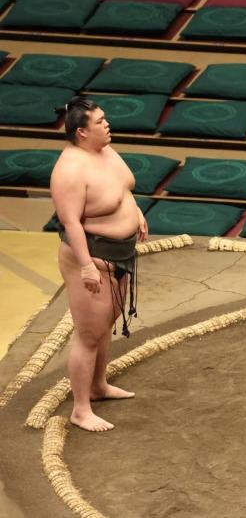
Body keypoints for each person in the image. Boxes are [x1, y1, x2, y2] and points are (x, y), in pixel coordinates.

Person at [50, 96, 147, 432]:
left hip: (120, 252)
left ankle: (99, 385)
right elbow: (72, 223)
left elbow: (122, 189)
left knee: (106, 321)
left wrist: (136, 213)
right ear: (81, 132)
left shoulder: (104, 150)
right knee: (89, 333)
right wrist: (87, 266)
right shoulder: (70, 170)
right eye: (100, 122)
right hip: (90, 257)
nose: (108, 125)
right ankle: (80, 408)